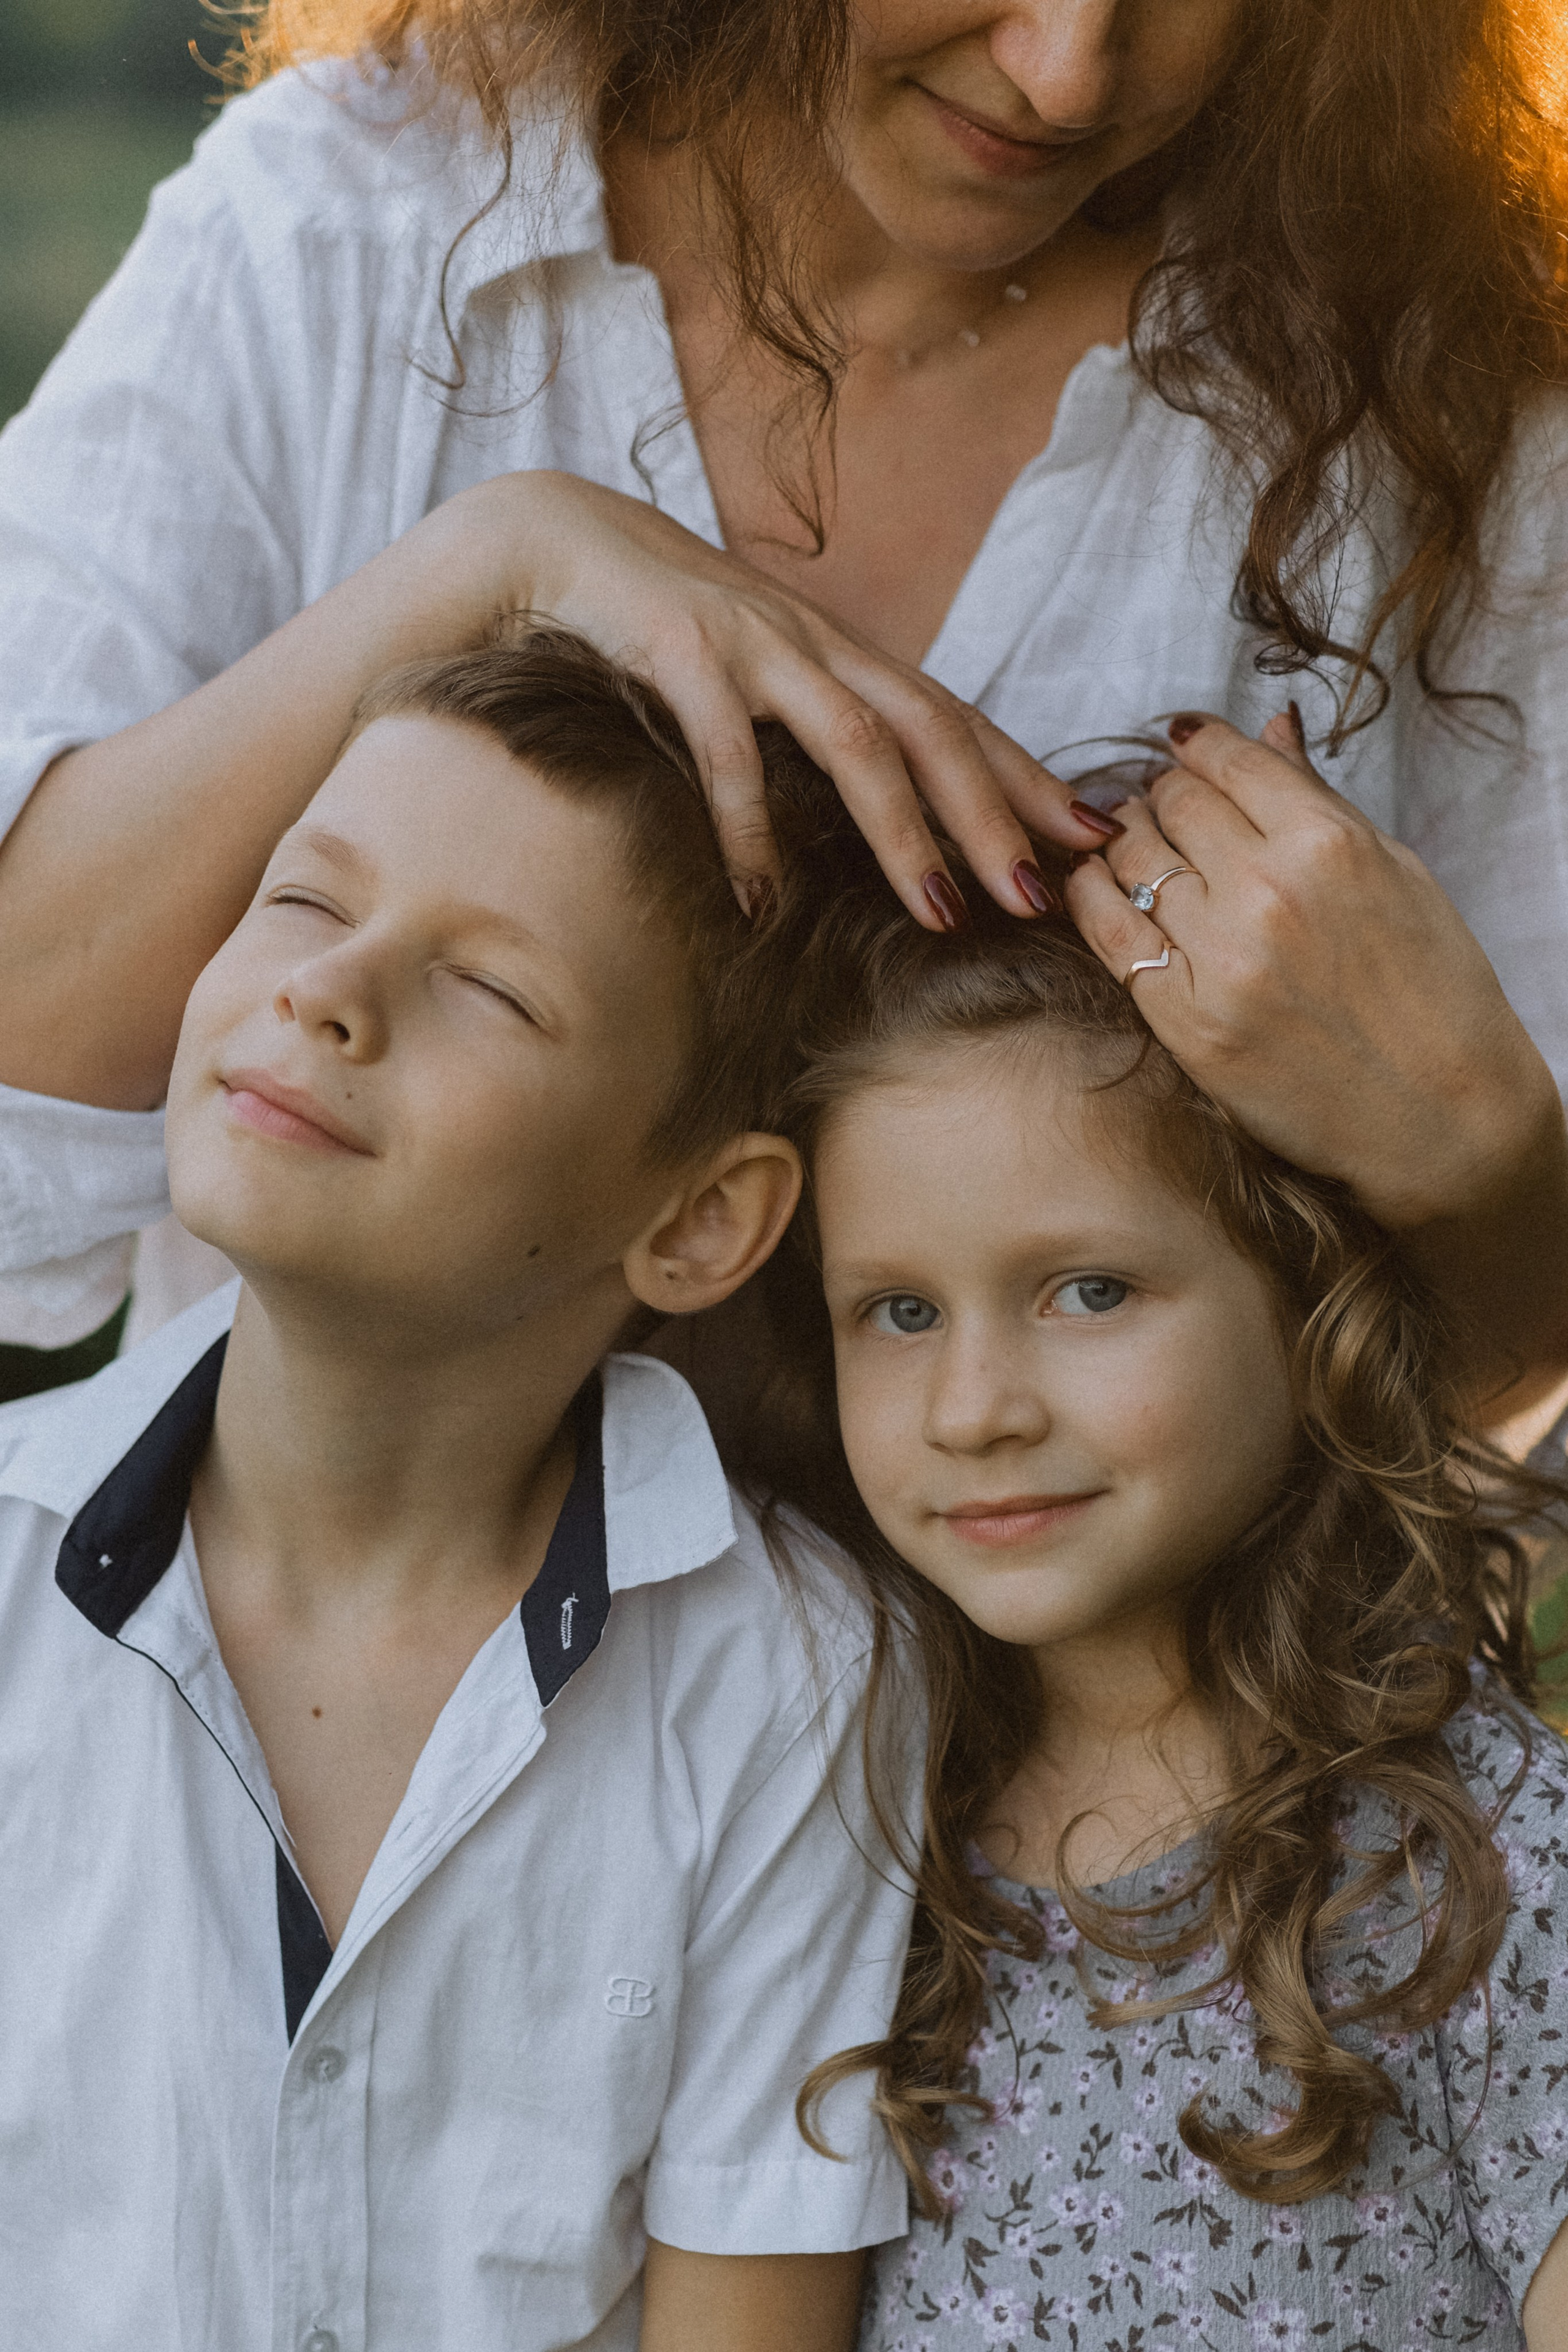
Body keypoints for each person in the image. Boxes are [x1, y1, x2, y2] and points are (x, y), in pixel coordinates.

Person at [1, 0, 1566, 1412]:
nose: (1064, 69)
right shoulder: (356, 220)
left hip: (1087, 1731)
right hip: (321, 1700)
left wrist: (1476, 1157)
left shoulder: (1435, 386)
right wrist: (493, 559)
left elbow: (1474, 1423)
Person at [0, 631, 922, 2352]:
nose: (329, 990)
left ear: (701, 1219)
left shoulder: (792, 1677)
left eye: (490, 989)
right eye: (299, 902)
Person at [726, 781, 1568, 2350]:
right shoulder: (842, 1834)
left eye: (1088, 1291)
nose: (976, 1410)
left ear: (1306, 1302)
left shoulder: (1481, 1863)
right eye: (896, 1313)